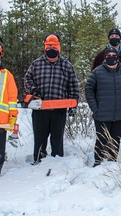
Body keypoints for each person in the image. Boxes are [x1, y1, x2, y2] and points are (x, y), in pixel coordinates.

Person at [24, 33, 79, 164]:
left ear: (58, 49)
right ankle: (38, 160)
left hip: (58, 110)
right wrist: (34, 92)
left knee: (57, 139)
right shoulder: (36, 64)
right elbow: (27, 79)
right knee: (40, 138)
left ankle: (57, 162)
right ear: (45, 49)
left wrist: (73, 104)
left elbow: (73, 85)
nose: (51, 52)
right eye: (49, 50)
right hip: (40, 108)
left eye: (54, 49)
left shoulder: (66, 65)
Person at [91, 28, 121, 157]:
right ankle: (99, 159)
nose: (114, 37)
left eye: (116, 35)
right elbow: (92, 83)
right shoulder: (100, 56)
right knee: (103, 135)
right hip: (104, 103)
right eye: (112, 35)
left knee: (120, 133)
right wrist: (96, 105)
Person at [86, 47, 121, 166]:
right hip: (102, 113)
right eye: (108, 56)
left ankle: (112, 162)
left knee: (115, 139)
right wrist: (95, 108)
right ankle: (97, 162)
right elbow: (89, 89)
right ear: (105, 58)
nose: (111, 57)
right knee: (101, 139)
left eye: (113, 55)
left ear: (117, 58)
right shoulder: (97, 72)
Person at [0, 36, 18, 177]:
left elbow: (12, 98)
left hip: (1, 123)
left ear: (0, 56)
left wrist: (13, 116)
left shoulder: (7, 75)